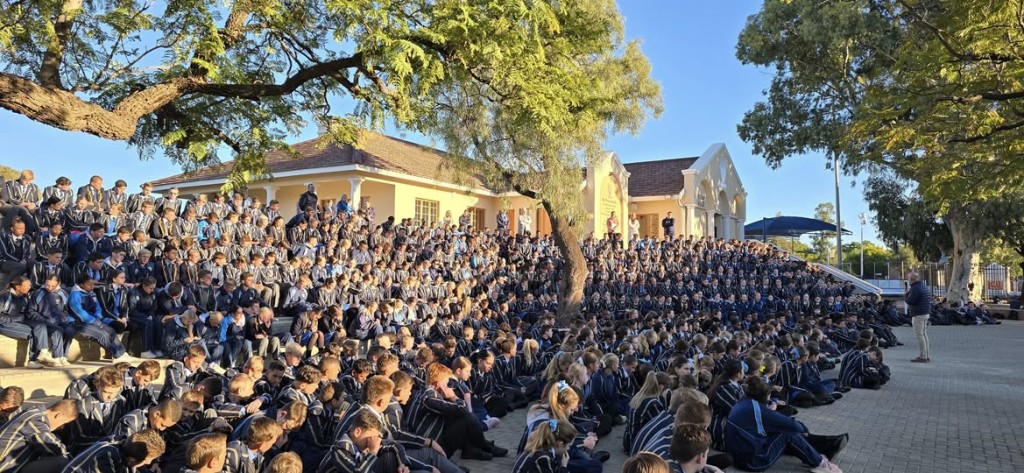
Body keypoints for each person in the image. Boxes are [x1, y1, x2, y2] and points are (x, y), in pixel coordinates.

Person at [725, 377, 846, 473]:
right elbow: (793, 426)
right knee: (788, 434)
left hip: (739, 455)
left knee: (781, 429)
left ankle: (812, 454)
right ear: (764, 396)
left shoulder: (744, 402)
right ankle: (820, 463)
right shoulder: (759, 411)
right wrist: (804, 429)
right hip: (752, 462)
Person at [0, 399, 77, 471]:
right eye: (64, 423)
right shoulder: (35, 421)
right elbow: (54, 448)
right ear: (59, 415)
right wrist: (76, 464)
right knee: (60, 461)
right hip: (4, 467)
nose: (62, 427)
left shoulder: (35, 411)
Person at [62, 428, 165, 473]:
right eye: (149, 460)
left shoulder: (125, 444)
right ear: (132, 459)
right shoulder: (106, 456)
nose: (149, 463)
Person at [904, 271, 932, 363]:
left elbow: (911, 301)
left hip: (918, 314)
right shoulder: (923, 286)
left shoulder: (915, 288)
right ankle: (926, 355)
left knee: (919, 335)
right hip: (925, 313)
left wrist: (906, 294)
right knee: (923, 334)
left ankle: (923, 356)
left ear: (911, 279)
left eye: (908, 278)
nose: (908, 280)